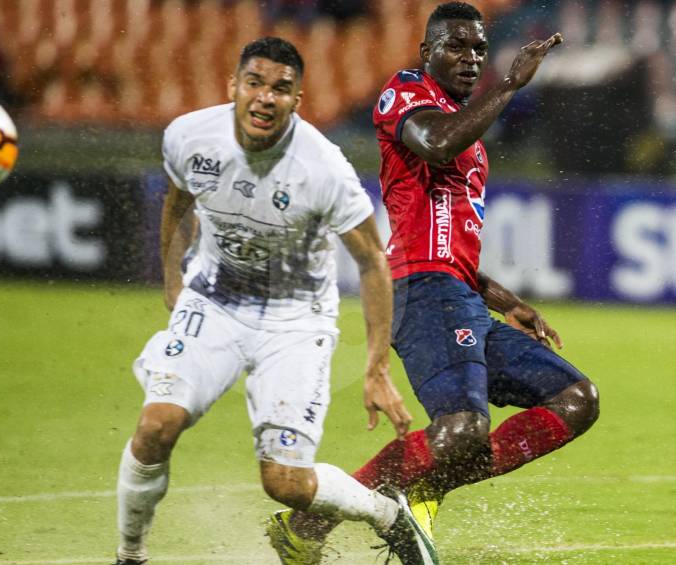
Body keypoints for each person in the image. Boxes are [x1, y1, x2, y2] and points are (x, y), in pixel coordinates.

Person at [266, 3, 600, 564]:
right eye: (456, 46)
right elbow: (436, 144)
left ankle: (422, 488)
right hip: (421, 292)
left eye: (479, 49)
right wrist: (509, 85)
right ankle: (309, 522)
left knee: (576, 400)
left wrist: (505, 300)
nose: (470, 58)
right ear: (427, 52)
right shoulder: (404, 93)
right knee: (462, 428)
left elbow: (450, 241)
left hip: (459, 294)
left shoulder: (471, 136)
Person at [114, 36, 431, 565]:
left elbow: (373, 261)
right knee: (155, 426)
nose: (265, 97)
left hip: (295, 320)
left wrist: (376, 367)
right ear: (233, 86)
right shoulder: (190, 137)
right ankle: (130, 555)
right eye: (255, 83)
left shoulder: (323, 168)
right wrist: (174, 281)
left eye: (280, 89)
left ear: (296, 101)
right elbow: (178, 203)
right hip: (214, 301)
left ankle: (387, 514)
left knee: (284, 482)